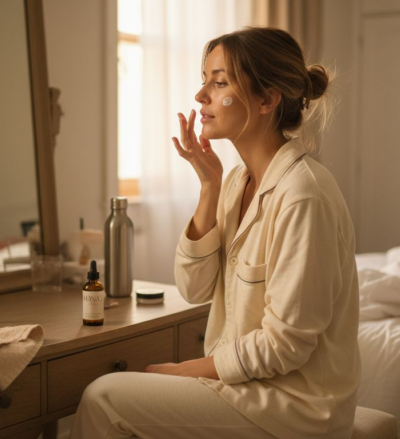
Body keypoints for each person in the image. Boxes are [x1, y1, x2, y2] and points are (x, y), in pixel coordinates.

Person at [70, 27, 360, 439]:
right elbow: (193, 287)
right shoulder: (238, 181)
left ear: (267, 99)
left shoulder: (302, 196)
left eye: (219, 81)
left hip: (294, 408)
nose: (201, 95)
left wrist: (186, 371)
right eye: (204, 79)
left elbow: (286, 345)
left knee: (104, 397)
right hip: (248, 388)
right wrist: (209, 187)